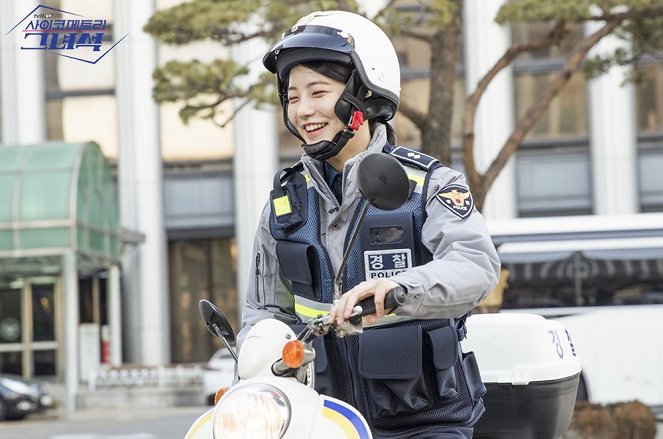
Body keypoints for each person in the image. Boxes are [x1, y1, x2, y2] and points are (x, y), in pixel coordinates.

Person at [237, 10, 501, 439]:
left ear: (363, 92)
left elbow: (476, 266)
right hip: (320, 419)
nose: (303, 110)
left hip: (423, 421)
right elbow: (264, 311)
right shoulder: (284, 205)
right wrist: (255, 368)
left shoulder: (428, 185)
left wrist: (399, 290)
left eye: (317, 92)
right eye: (292, 96)